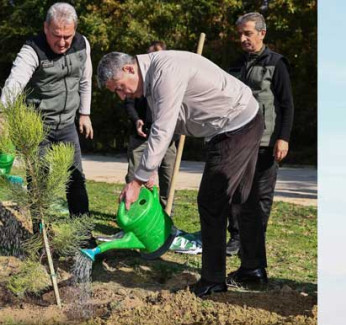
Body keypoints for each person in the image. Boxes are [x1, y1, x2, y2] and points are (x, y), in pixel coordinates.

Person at [97, 48, 264, 298]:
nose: (122, 96)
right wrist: (150, 171)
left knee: (211, 201)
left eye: (120, 87)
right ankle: (253, 269)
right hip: (241, 120)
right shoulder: (153, 78)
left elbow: (163, 130)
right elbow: (167, 124)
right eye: (117, 92)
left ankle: (213, 279)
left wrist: (138, 179)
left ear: (129, 69)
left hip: (235, 125)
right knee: (242, 199)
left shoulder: (165, 71)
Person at [0, 2, 93, 220]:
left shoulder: (82, 45)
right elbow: (15, 82)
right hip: (38, 127)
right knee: (39, 184)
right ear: (45, 28)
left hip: (68, 124)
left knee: (76, 179)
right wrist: (3, 113)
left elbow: (85, 80)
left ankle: (82, 234)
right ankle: (42, 236)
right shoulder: (32, 50)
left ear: (75, 30)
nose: (62, 42)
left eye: (67, 36)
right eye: (56, 35)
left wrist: (85, 113)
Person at [225, 13, 294, 268]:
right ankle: (237, 238)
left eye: (248, 34)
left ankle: (255, 242)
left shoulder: (277, 63)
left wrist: (283, 138)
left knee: (260, 196)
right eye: (240, 34)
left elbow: (287, 105)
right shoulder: (233, 65)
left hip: (266, 142)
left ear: (262, 33)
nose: (243, 39)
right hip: (238, 141)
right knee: (235, 194)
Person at [121, 41, 177, 208]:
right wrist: (136, 119)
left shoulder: (171, 78)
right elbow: (128, 102)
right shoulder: (136, 79)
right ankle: (133, 211)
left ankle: (166, 215)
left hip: (168, 136)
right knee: (134, 174)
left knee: (168, 176)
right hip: (141, 134)